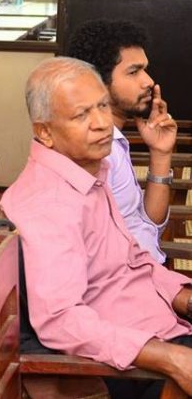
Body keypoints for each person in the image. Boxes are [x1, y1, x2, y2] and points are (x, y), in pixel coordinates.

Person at [1, 57, 192, 399]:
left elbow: (133, 259)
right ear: (44, 132)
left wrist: (185, 298)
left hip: (159, 324)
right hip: (131, 364)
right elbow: (61, 320)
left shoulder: (88, 171)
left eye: (103, 106)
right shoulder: (49, 205)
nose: (102, 123)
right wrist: (170, 357)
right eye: (81, 115)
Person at [66, 20, 177, 263]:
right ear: (97, 81)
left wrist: (161, 154)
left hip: (145, 269)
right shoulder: (94, 150)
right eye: (133, 72)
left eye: (145, 70)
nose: (148, 81)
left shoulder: (115, 140)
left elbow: (148, 225)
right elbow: (96, 253)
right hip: (127, 277)